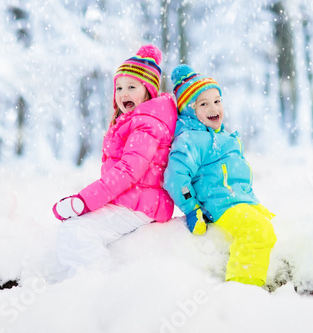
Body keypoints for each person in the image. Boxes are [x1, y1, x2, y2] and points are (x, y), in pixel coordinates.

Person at [51, 45, 177, 276]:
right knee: (73, 228)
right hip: (132, 198)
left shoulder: (146, 123)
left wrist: (84, 201)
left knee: (77, 232)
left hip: (141, 202)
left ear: (148, 90)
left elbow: (129, 171)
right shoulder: (137, 120)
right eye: (119, 87)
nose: (123, 93)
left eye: (131, 87)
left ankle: (97, 286)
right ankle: (72, 284)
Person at [164, 65, 277, 287]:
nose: (213, 107)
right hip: (221, 205)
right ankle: (242, 290)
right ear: (189, 110)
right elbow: (176, 177)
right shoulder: (191, 140)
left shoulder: (224, 137)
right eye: (203, 104)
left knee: (268, 229)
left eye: (217, 101)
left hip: (239, 201)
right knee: (257, 231)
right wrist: (191, 208)